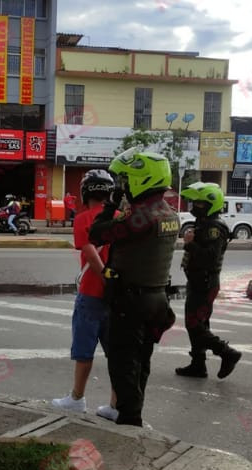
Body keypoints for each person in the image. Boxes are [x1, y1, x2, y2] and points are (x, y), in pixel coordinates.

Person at [88, 147, 180, 427]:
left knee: (123, 365)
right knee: (141, 362)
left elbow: (98, 233)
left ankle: (130, 422)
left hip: (131, 301)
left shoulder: (141, 216)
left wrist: (110, 204)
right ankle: (134, 414)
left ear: (143, 179)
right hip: (156, 300)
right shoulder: (168, 212)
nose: (122, 186)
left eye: (125, 180)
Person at [52, 170, 118, 420]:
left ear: (85, 192)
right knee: (115, 353)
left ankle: (77, 399)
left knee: (84, 350)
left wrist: (103, 278)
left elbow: (90, 252)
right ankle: (115, 404)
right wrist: (114, 283)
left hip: (91, 292)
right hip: (116, 297)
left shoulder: (83, 218)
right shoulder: (120, 217)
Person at [175, 182, 242, 379]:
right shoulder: (203, 224)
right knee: (199, 324)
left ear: (211, 205)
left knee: (194, 325)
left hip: (205, 283)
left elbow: (209, 257)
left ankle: (227, 353)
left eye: (200, 203)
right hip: (198, 281)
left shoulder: (214, 228)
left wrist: (189, 244)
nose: (195, 206)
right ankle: (198, 364)